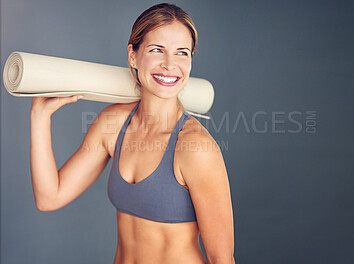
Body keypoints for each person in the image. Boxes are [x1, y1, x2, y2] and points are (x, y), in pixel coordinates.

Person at [30, 3, 235, 264]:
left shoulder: (195, 147)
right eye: (156, 50)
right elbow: (49, 197)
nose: (170, 64)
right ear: (133, 56)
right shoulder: (113, 124)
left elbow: (222, 258)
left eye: (182, 53)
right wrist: (40, 117)